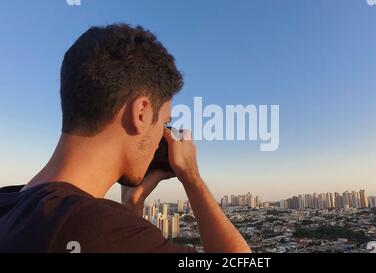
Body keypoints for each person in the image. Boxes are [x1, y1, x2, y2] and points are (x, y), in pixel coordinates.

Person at [0, 24, 251, 253]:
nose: (161, 137)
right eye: (164, 123)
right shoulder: (102, 229)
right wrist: (192, 178)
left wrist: (132, 207)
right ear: (141, 113)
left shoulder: (9, 204)